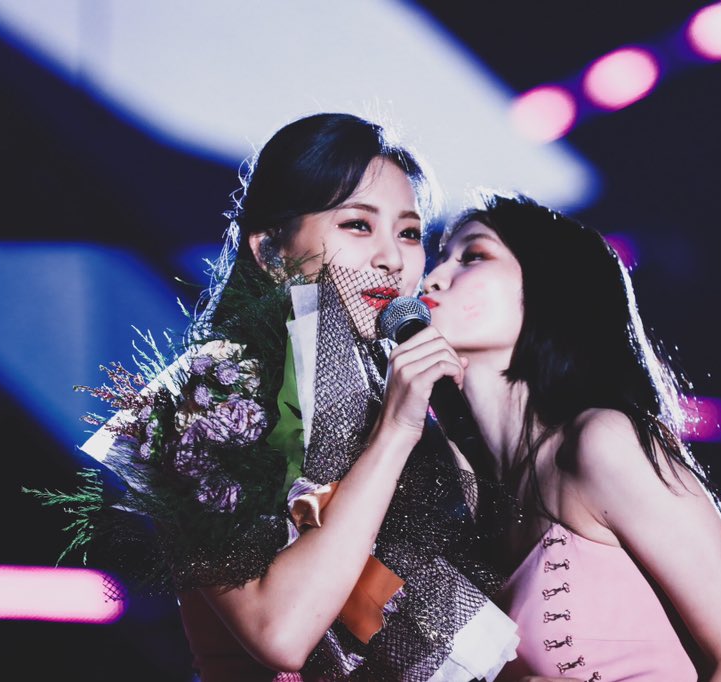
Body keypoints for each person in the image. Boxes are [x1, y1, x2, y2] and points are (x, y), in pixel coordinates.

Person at [36, 113, 517, 681]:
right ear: (270, 252)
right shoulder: (200, 403)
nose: (393, 257)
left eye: (409, 233)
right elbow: (280, 633)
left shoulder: (401, 391)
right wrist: (394, 432)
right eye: (358, 225)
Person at [418, 192, 721, 682]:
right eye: (440, 259)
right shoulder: (484, 504)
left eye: (473, 255)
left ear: (548, 287)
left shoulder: (600, 442)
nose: (433, 277)